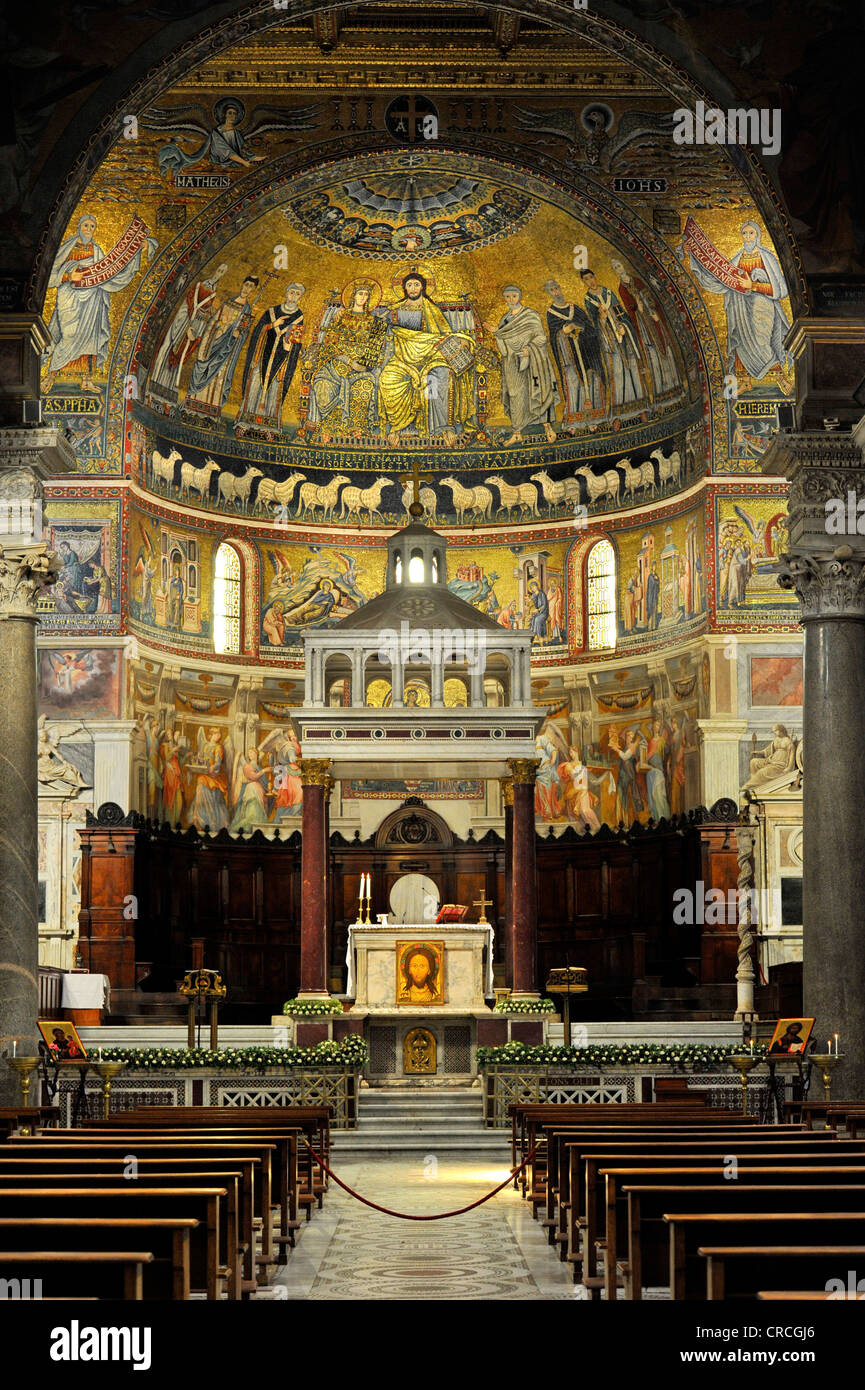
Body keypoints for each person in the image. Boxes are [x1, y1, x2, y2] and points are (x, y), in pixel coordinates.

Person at [43, 213, 156, 392]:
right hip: (70, 298)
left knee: (91, 338)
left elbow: (112, 273)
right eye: (85, 225)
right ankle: (50, 376)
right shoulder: (67, 248)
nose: (88, 229)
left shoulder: (97, 251)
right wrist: (68, 276)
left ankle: (86, 380)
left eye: (92, 226)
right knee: (69, 336)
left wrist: (135, 251)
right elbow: (47, 275)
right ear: (79, 227)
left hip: (93, 300)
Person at [376, 271, 476, 446]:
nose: (413, 288)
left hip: (431, 356)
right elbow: (373, 319)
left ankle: (444, 427)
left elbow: (444, 335)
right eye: (409, 285)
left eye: (416, 284)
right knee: (387, 378)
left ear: (422, 286)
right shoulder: (394, 310)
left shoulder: (431, 309)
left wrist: (462, 340)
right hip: (403, 358)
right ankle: (396, 427)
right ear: (404, 288)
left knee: (440, 376)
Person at [308, 281, 387, 441]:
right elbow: (330, 344)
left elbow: (377, 350)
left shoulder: (373, 321)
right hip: (338, 364)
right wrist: (350, 362)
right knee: (323, 383)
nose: (363, 297)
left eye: (366, 295)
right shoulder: (341, 317)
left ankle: (355, 428)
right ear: (353, 296)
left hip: (362, 369)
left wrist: (365, 365)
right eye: (360, 294)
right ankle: (329, 428)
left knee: (364, 385)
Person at [494, 285, 558, 444]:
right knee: (515, 395)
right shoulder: (504, 319)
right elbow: (503, 345)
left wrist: (529, 350)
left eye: (514, 296)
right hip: (512, 363)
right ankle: (516, 432)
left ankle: (548, 427)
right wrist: (496, 333)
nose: (511, 300)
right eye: (507, 297)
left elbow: (541, 338)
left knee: (538, 391)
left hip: (533, 362)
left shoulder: (530, 315)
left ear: (519, 296)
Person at [236, 283, 306, 430]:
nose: (293, 296)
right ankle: (247, 420)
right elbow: (256, 333)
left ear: (301, 297)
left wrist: (289, 344)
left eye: (297, 294)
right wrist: (273, 324)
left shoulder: (299, 317)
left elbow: (295, 342)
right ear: (286, 293)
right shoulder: (271, 312)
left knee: (275, 388)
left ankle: (269, 425)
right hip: (262, 357)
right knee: (255, 383)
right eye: (291, 292)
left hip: (281, 362)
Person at [544, 279, 605, 429]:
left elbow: (590, 327)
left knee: (590, 381)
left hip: (584, 352)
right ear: (549, 293)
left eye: (557, 288)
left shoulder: (574, 308)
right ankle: (573, 419)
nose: (556, 292)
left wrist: (578, 327)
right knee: (573, 384)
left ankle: (594, 418)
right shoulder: (551, 313)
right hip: (568, 357)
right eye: (552, 290)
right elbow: (553, 335)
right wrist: (562, 332)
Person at [190, 729, 230, 833]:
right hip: (204, 773)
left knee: (212, 796)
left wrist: (212, 768)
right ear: (211, 734)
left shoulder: (218, 747)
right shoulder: (205, 745)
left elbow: (218, 763)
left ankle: (211, 821)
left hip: (213, 774)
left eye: (219, 733)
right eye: (217, 733)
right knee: (200, 790)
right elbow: (201, 758)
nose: (219, 735)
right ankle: (198, 820)